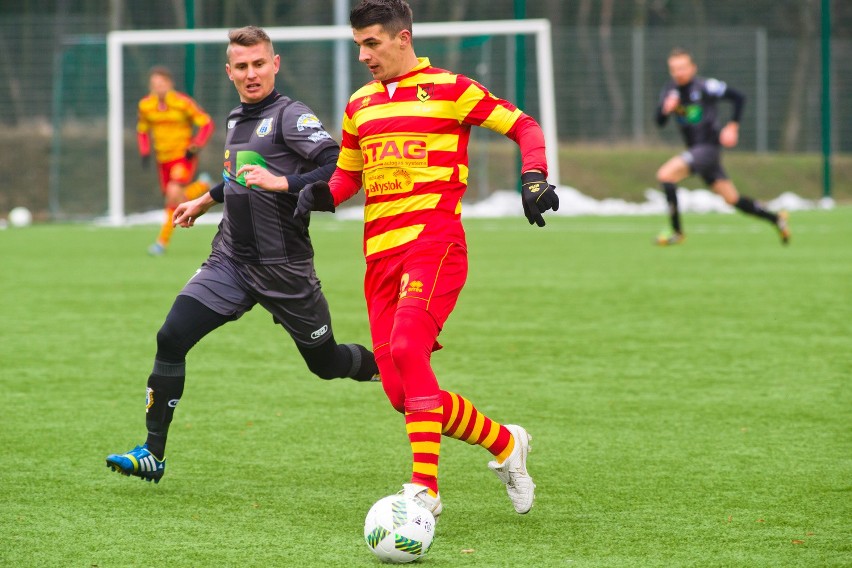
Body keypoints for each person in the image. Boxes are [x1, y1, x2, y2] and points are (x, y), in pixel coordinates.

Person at [293, 0, 559, 520]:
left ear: (402, 38)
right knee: (402, 391)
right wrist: (318, 195)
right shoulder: (360, 104)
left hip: (433, 243)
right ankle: (505, 443)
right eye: (359, 46)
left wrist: (533, 177)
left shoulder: (451, 89)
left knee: (412, 348)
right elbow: (348, 177)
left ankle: (424, 490)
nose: (365, 55)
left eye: (372, 43)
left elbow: (524, 125)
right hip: (379, 259)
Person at [106, 26, 379, 484]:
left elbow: (339, 166)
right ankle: (153, 453)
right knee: (171, 338)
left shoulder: (292, 116)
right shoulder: (236, 118)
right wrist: (207, 198)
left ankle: (390, 371)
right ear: (229, 71)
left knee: (326, 363)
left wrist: (285, 184)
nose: (251, 74)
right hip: (230, 261)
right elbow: (241, 170)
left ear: (275, 65)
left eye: (259, 64)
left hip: (285, 269)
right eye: (242, 66)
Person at [654, 48, 790, 246]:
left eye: (682, 67)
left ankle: (676, 231)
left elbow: (739, 97)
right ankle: (776, 219)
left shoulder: (706, 86)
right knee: (732, 199)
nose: (679, 72)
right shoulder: (670, 91)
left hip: (707, 149)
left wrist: (733, 126)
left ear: (693, 68)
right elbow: (659, 122)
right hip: (699, 153)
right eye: (674, 69)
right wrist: (665, 110)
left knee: (666, 175)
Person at [137, 66, 215, 256]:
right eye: (155, 84)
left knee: (172, 196)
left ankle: (161, 243)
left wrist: (196, 144)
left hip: (182, 158)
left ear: (169, 84)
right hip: (162, 160)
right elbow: (142, 129)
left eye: (162, 84)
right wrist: (145, 150)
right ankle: (203, 185)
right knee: (176, 199)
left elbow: (206, 123)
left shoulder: (183, 103)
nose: (159, 88)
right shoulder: (146, 105)